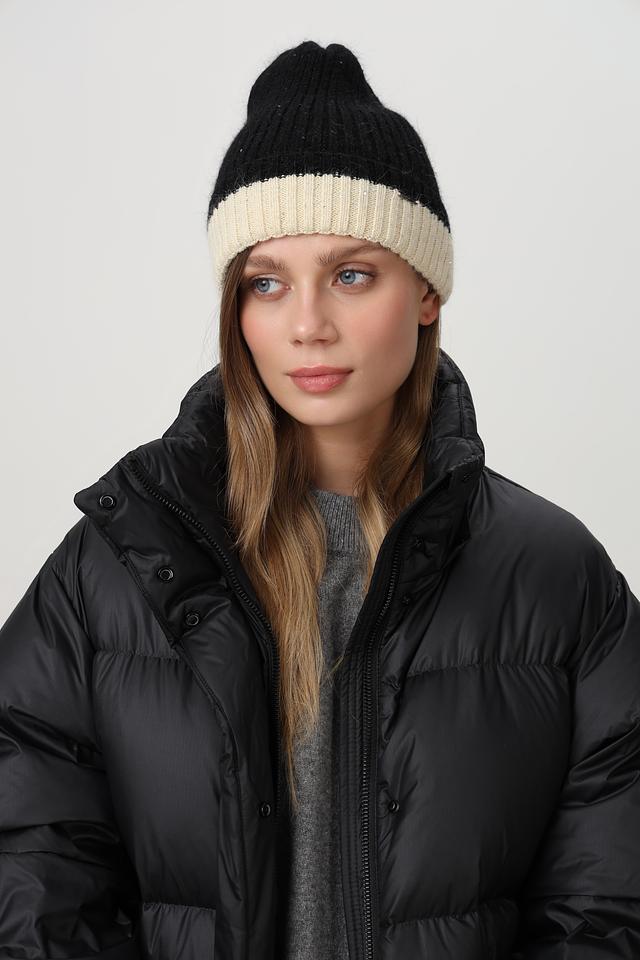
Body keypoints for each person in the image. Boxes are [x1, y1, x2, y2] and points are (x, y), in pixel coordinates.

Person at [0, 38, 638, 960]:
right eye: (266, 283)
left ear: (426, 291)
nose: (306, 324)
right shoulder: (119, 566)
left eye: (351, 274)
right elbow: (34, 863)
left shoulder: (555, 575)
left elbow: (609, 904)